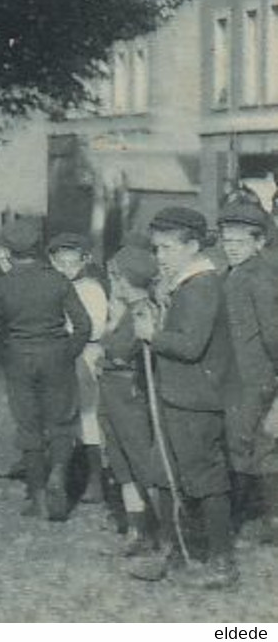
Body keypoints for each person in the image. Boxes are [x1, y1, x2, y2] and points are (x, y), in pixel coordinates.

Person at [129, 206, 239, 589]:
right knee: (162, 475)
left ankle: (222, 563)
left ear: (193, 246)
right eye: (157, 249)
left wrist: (152, 336)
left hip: (196, 400)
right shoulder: (184, 284)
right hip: (175, 395)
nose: (161, 257)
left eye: (169, 249)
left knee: (205, 479)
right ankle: (170, 549)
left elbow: (191, 346)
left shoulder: (203, 285)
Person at [0, 218, 91, 521]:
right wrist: (67, 352)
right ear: (39, 248)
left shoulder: (1, 285)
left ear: (10, 252)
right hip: (56, 357)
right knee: (61, 423)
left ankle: (38, 497)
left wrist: (6, 352)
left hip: (18, 359)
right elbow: (84, 326)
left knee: (29, 427)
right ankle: (58, 472)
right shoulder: (58, 281)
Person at [216, 200, 278, 546]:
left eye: (239, 242)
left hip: (252, 376)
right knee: (249, 445)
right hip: (233, 375)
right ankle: (263, 517)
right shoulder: (232, 273)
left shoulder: (260, 278)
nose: (231, 248)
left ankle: (245, 520)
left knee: (246, 445)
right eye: (226, 241)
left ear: (258, 243)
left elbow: (273, 333)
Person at [98, 244, 163, 557]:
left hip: (129, 395)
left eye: (115, 277)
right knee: (121, 463)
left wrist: (110, 337)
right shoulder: (127, 309)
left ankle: (161, 530)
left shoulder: (142, 310)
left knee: (140, 462)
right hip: (112, 391)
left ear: (124, 280)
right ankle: (137, 528)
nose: (113, 283)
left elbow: (122, 351)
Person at [46, 232, 108, 505]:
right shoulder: (51, 286)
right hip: (58, 356)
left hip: (85, 354)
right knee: (60, 415)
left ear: (85, 261)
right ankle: (62, 472)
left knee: (88, 417)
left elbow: (94, 327)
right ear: (52, 261)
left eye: (73, 263)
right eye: (61, 263)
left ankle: (95, 479)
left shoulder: (91, 289)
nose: (67, 269)